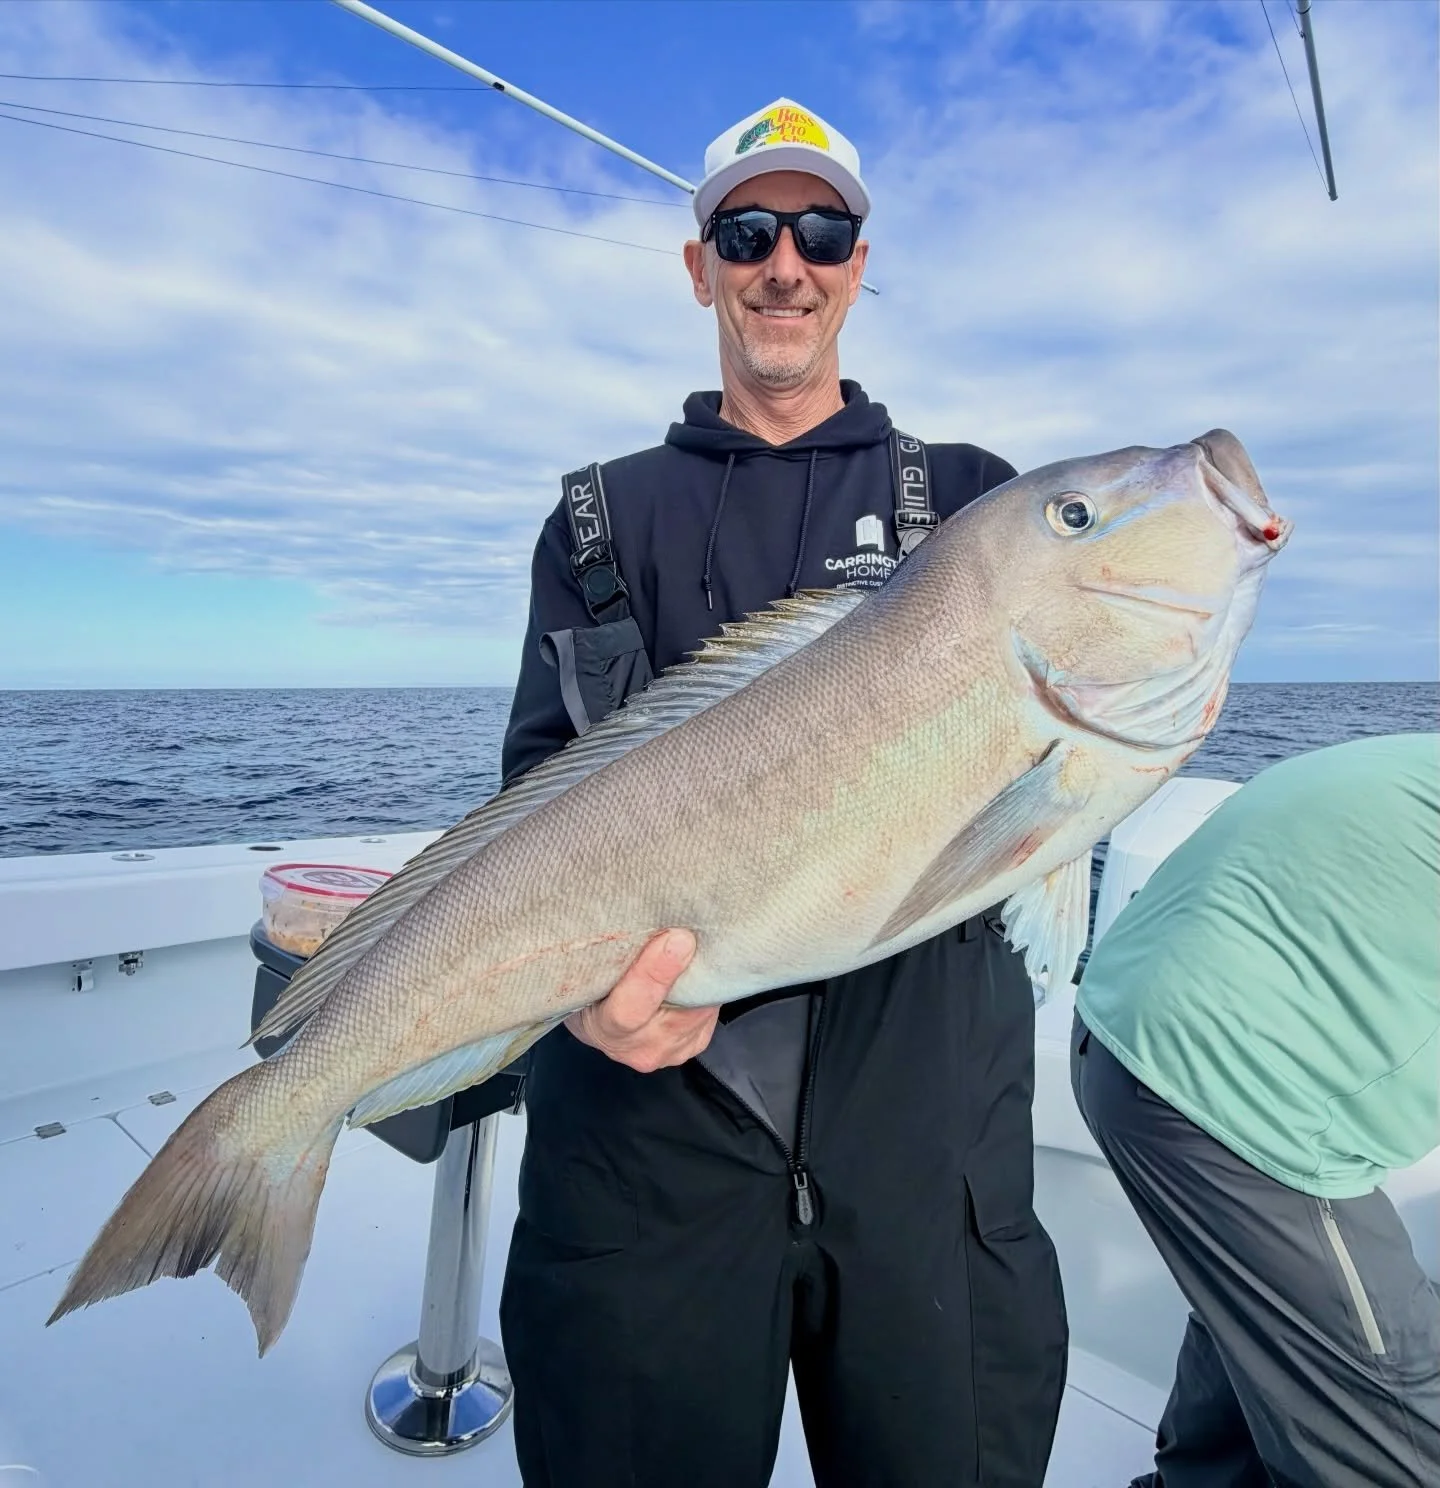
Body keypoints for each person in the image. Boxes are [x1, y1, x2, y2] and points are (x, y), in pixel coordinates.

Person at [497, 97, 1068, 1488]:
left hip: (927, 1156)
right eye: (749, 233)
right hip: (645, 1158)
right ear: (701, 268)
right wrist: (584, 1001)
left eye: (821, 232)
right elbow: (541, 792)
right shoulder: (598, 520)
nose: (786, 265)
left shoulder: (980, 508)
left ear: (860, 265)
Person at [1071, 732, 1440, 1488]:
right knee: (1406, 1434)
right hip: (1232, 1088)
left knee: (1268, 1315)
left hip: (1126, 1035)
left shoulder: (1408, 763)